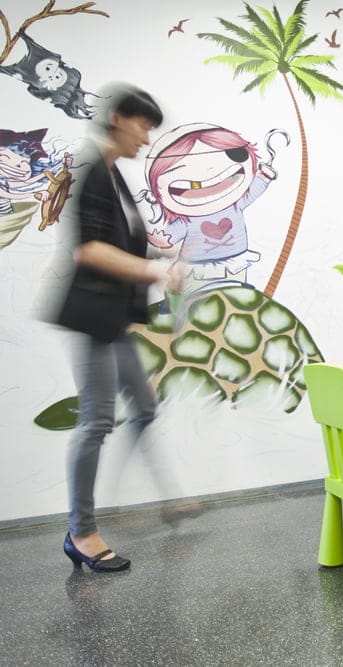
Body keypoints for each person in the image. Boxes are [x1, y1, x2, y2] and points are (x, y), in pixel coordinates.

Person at [54, 85, 188, 572]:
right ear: (117, 118)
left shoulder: (114, 177)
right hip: (94, 320)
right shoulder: (92, 171)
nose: (146, 138)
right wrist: (155, 271)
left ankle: (145, 497)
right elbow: (90, 250)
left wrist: (160, 253)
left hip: (114, 321)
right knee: (96, 422)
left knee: (145, 408)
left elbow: (124, 243)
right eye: (143, 126)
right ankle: (82, 532)